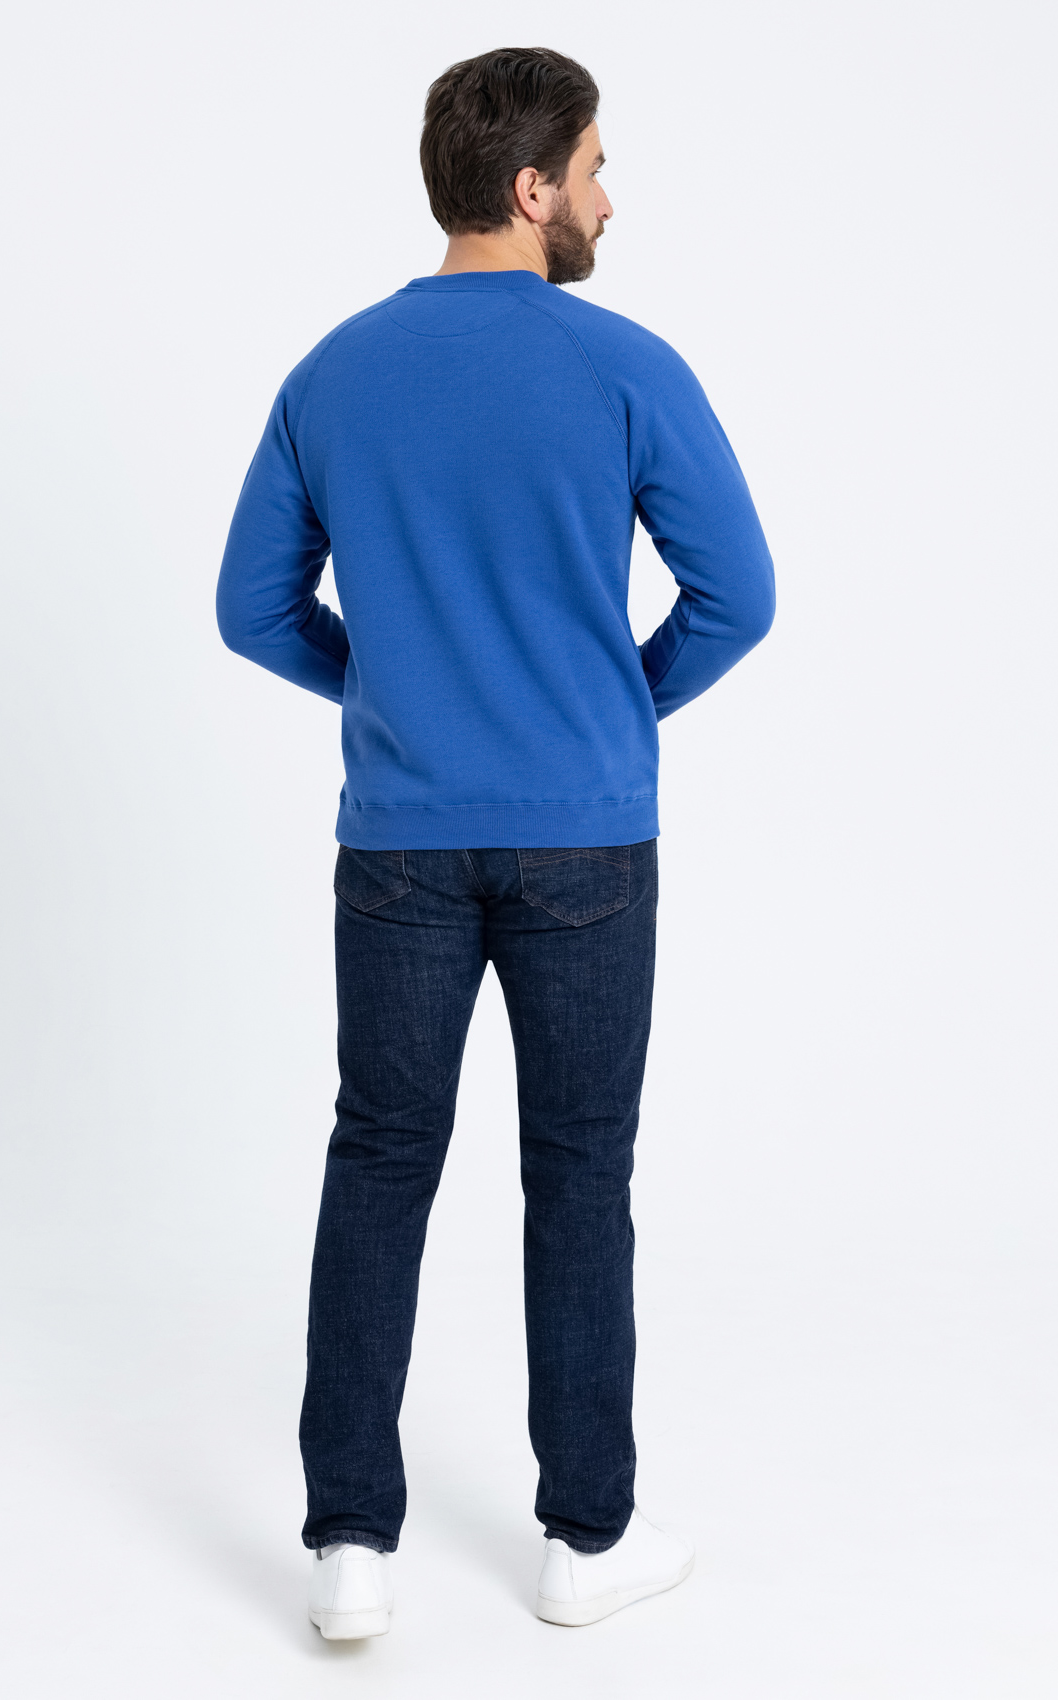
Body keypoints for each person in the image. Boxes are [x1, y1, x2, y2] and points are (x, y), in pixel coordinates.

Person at [216, 46, 774, 1638]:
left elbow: (252, 609)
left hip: (399, 834)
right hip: (586, 840)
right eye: (594, 169)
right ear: (532, 190)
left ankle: (349, 1547)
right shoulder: (625, 366)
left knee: (380, 1158)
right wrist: (613, 707)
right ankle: (586, 1540)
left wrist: (391, 687)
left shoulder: (333, 373)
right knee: (580, 1172)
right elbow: (740, 595)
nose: (608, 198)